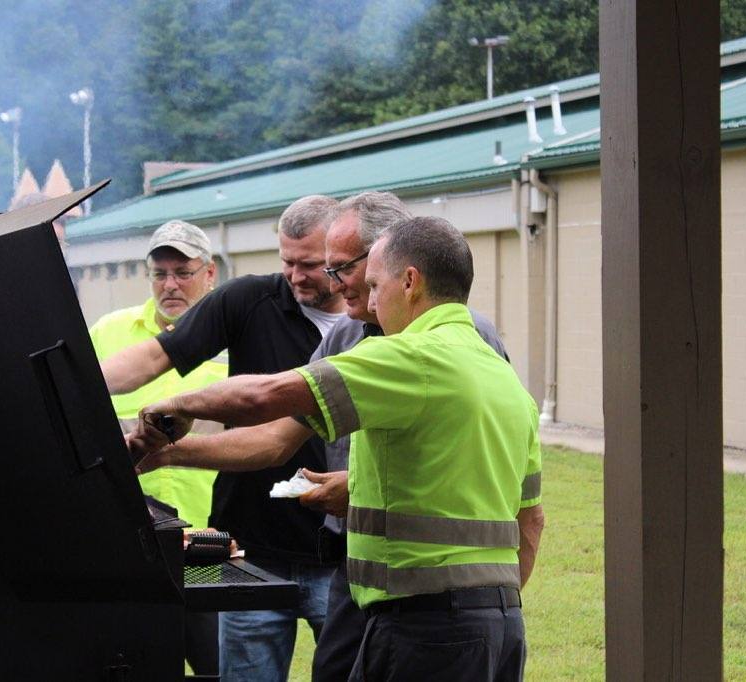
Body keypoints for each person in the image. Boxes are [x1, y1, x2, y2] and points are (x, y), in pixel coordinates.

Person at [132, 191, 528, 680]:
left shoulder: (411, 353)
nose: (339, 287)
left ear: (403, 271)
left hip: (423, 609)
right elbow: (277, 438)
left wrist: (180, 403)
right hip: (403, 589)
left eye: (345, 270)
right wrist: (168, 454)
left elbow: (269, 395)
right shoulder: (479, 368)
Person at [100, 195, 345, 682]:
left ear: (341, 256)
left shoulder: (367, 328)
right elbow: (153, 357)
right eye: (287, 262)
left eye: (311, 265)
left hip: (338, 553)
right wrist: (71, 386)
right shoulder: (249, 299)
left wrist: (173, 438)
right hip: (249, 547)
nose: (296, 276)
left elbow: (273, 435)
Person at [88, 219, 226, 676]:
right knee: (130, 664)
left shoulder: (232, 342)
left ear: (210, 275)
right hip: (129, 542)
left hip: (206, 540)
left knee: (214, 664)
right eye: (159, 272)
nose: (170, 284)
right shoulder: (108, 334)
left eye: (183, 272)